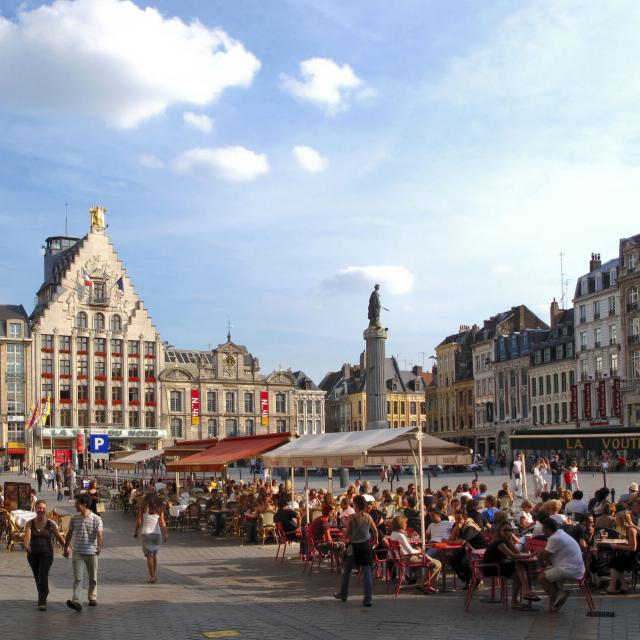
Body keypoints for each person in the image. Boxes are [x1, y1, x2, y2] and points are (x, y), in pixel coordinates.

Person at [482, 521, 539, 608]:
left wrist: (526, 554)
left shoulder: (507, 541)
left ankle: (518, 598)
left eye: (510, 530)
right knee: (519, 566)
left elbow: (518, 554)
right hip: (491, 568)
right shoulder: (499, 542)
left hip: (500, 565)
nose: (508, 532)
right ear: (499, 532)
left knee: (518, 572)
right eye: (505, 530)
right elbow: (512, 555)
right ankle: (525, 591)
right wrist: (531, 555)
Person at [334, 495, 378, 606]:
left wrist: (340, 528)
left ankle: (343, 594)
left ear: (356, 505)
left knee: (347, 570)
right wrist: (374, 542)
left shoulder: (352, 518)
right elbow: (375, 531)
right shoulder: (368, 516)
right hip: (365, 546)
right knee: (367, 572)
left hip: (353, 546)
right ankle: (368, 599)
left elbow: (347, 533)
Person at [63, 493, 104, 611]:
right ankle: (77, 601)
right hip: (78, 552)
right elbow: (69, 534)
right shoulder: (74, 519)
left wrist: (99, 546)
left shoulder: (97, 519)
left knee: (93, 577)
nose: (75, 506)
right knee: (78, 578)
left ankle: (92, 597)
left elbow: (100, 535)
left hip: (91, 552)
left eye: (77, 504)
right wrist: (66, 548)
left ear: (84, 505)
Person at [23, 499, 66, 610]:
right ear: (35, 509)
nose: (41, 510)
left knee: (42, 576)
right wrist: (27, 546)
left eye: (43, 508)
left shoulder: (50, 524)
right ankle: (43, 593)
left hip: (47, 554)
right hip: (33, 555)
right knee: (37, 578)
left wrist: (67, 548)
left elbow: (59, 537)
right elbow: (27, 538)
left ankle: (42, 601)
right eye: (39, 508)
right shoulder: (30, 523)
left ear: (45, 510)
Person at [538, 518, 585, 611]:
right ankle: (554, 605)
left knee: (542, 578)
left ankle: (559, 594)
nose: (543, 533)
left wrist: (540, 552)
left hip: (570, 568)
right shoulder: (560, 533)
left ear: (548, 530)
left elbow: (545, 557)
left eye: (543, 530)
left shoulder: (554, 538)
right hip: (576, 567)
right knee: (547, 573)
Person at [134, 493, 168, 583]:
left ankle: (152, 576)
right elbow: (162, 522)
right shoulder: (159, 508)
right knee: (154, 555)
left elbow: (139, 521)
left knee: (149, 556)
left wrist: (136, 532)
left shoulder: (143, 508)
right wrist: (165, 534)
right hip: (157, 534)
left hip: (146, 533)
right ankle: (154, 575)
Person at [602, 511, 638, 594]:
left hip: (634, 557)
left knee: (614, 561)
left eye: (616, 519)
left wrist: (618, 546)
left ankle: (612, 587)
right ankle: (623, 585)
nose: (615, 520)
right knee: (614, 560)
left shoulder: (631, 530)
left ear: (622, 520)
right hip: (629, 555)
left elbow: (633, 548)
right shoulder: (628, 529)